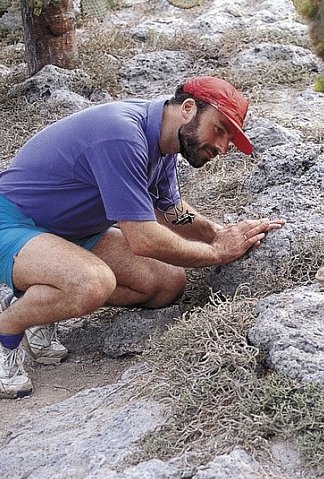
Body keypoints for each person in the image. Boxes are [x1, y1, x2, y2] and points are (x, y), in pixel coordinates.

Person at [0, 76, 285, 399]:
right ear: (188, 109)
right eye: (219, 130)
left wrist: (217, 233)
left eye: (229, 138)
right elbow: (143, 240)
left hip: (72, 231)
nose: (222, 147)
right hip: (12, 223)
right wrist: (218, 253)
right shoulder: (121, 136)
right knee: (92, 283)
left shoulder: (164, 143)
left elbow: (172, 210)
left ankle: (38, 301)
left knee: (166, 283)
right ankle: (7, 328)